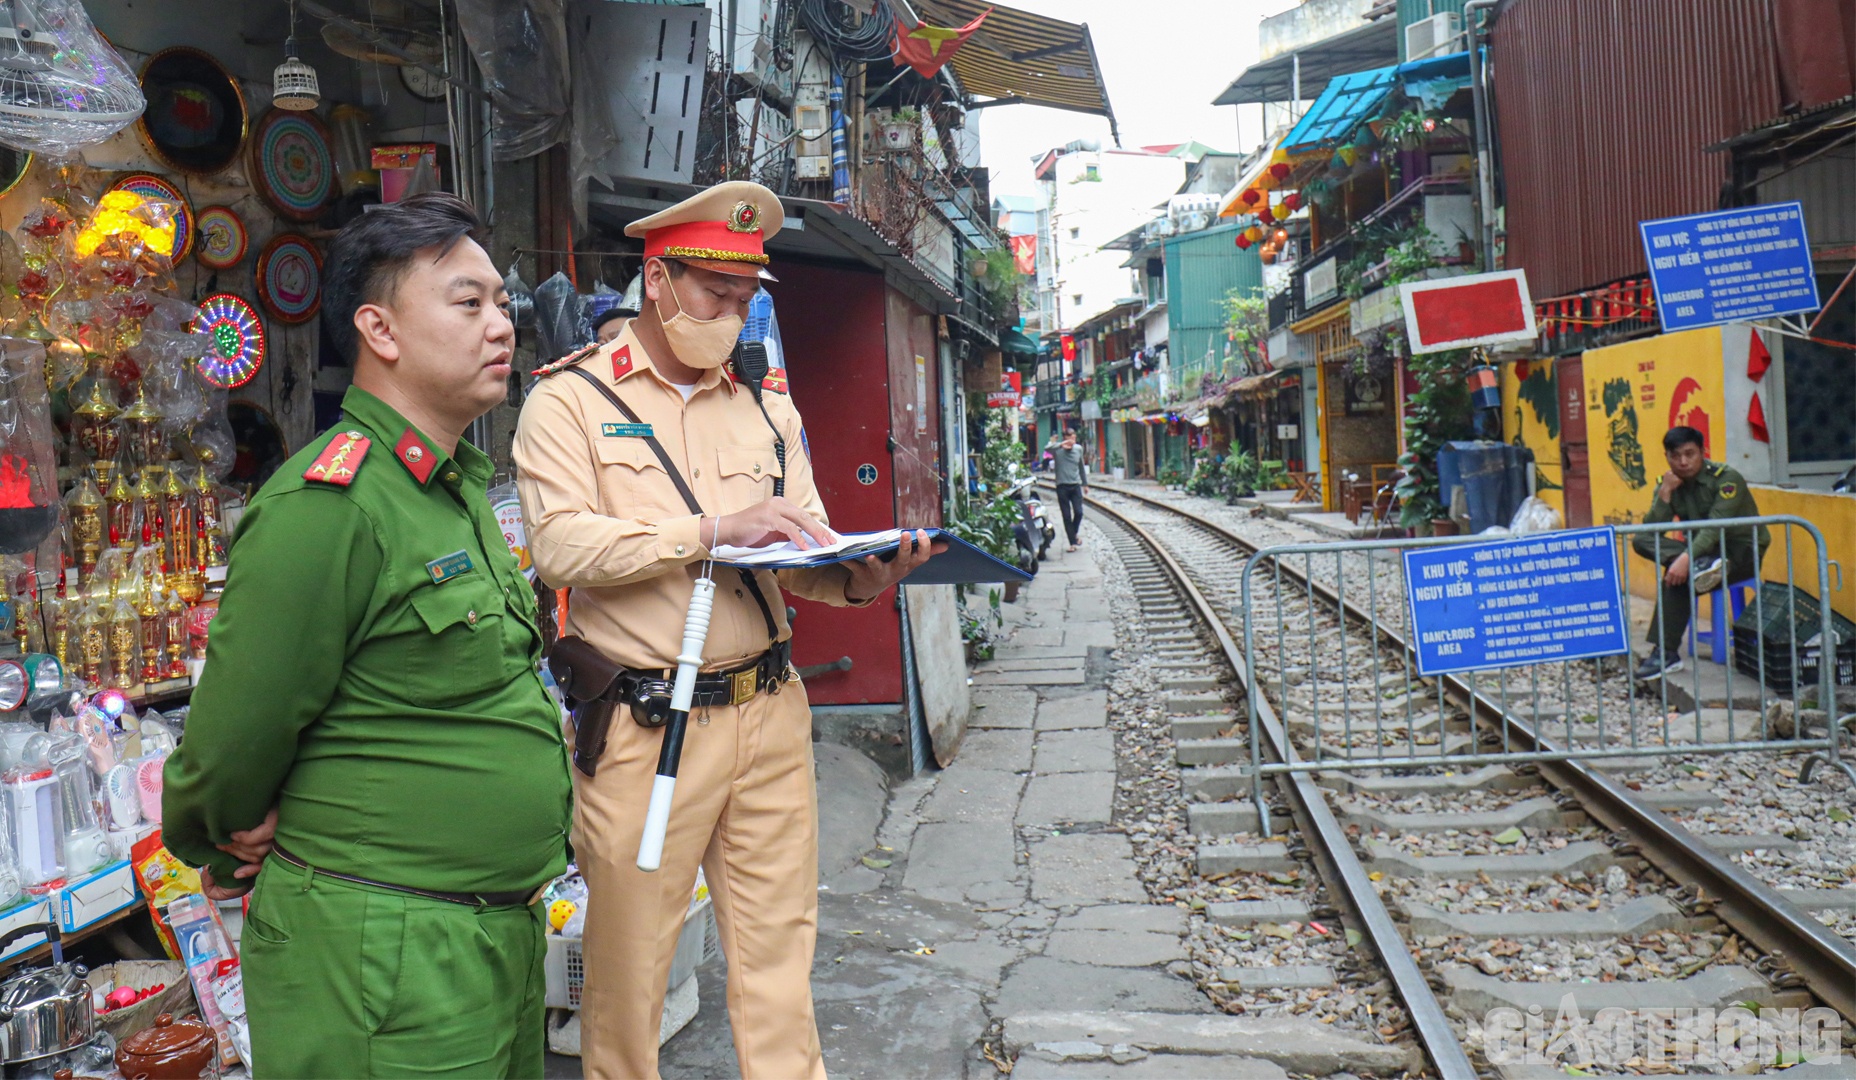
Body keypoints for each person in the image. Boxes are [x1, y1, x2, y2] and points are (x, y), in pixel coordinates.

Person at [514, 180, 939, 1079]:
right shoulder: (570, 401)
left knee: (779, 964)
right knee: (628, 977)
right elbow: (558, 546)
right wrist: (707, 532)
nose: (735, 315)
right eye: (717, 293)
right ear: (657, 281)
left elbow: (798, 550)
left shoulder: (766, 405)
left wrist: (858, 576)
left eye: (747, 297)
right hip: (646, 730)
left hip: (770, 713)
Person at [163, 193, 572, 1077]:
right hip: (385, 955)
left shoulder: (451, 489)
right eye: (469, 302)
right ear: (379, 330)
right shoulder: (329, 506)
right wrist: (228, 833)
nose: (501, 325)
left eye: (502, 303)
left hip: (490, 939)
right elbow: (232, 741)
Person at [1630, 425, 1767, 680]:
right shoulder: (1669, 483)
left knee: (1678, 580)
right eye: (1675, 456)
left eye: (1689, 454)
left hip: (1740, 553)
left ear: (1703, 452)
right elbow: (1650, 532)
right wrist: (1665, 494)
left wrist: (1685, 559)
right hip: (1704, 553)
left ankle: (1665, 653)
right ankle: (1699, 567)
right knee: (1642, 541)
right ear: (1666, 457)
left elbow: (1714, 529)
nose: (1683, 462)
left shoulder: (1726, 479)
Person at [1052, 429, 1087, 551]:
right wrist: (1060, 444)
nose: (1072, 440)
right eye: (1070, 438)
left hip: (1075, 485)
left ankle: (1073, 534)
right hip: (1062, 486)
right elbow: (1047, 448)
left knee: (1079, 512)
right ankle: (1072, 543)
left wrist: (1085, 484)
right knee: (1066, 516)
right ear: (1065, 438)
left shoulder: (1078, 449)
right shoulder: (1057, 450)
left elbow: (1081, 466)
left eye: (1074, 437)